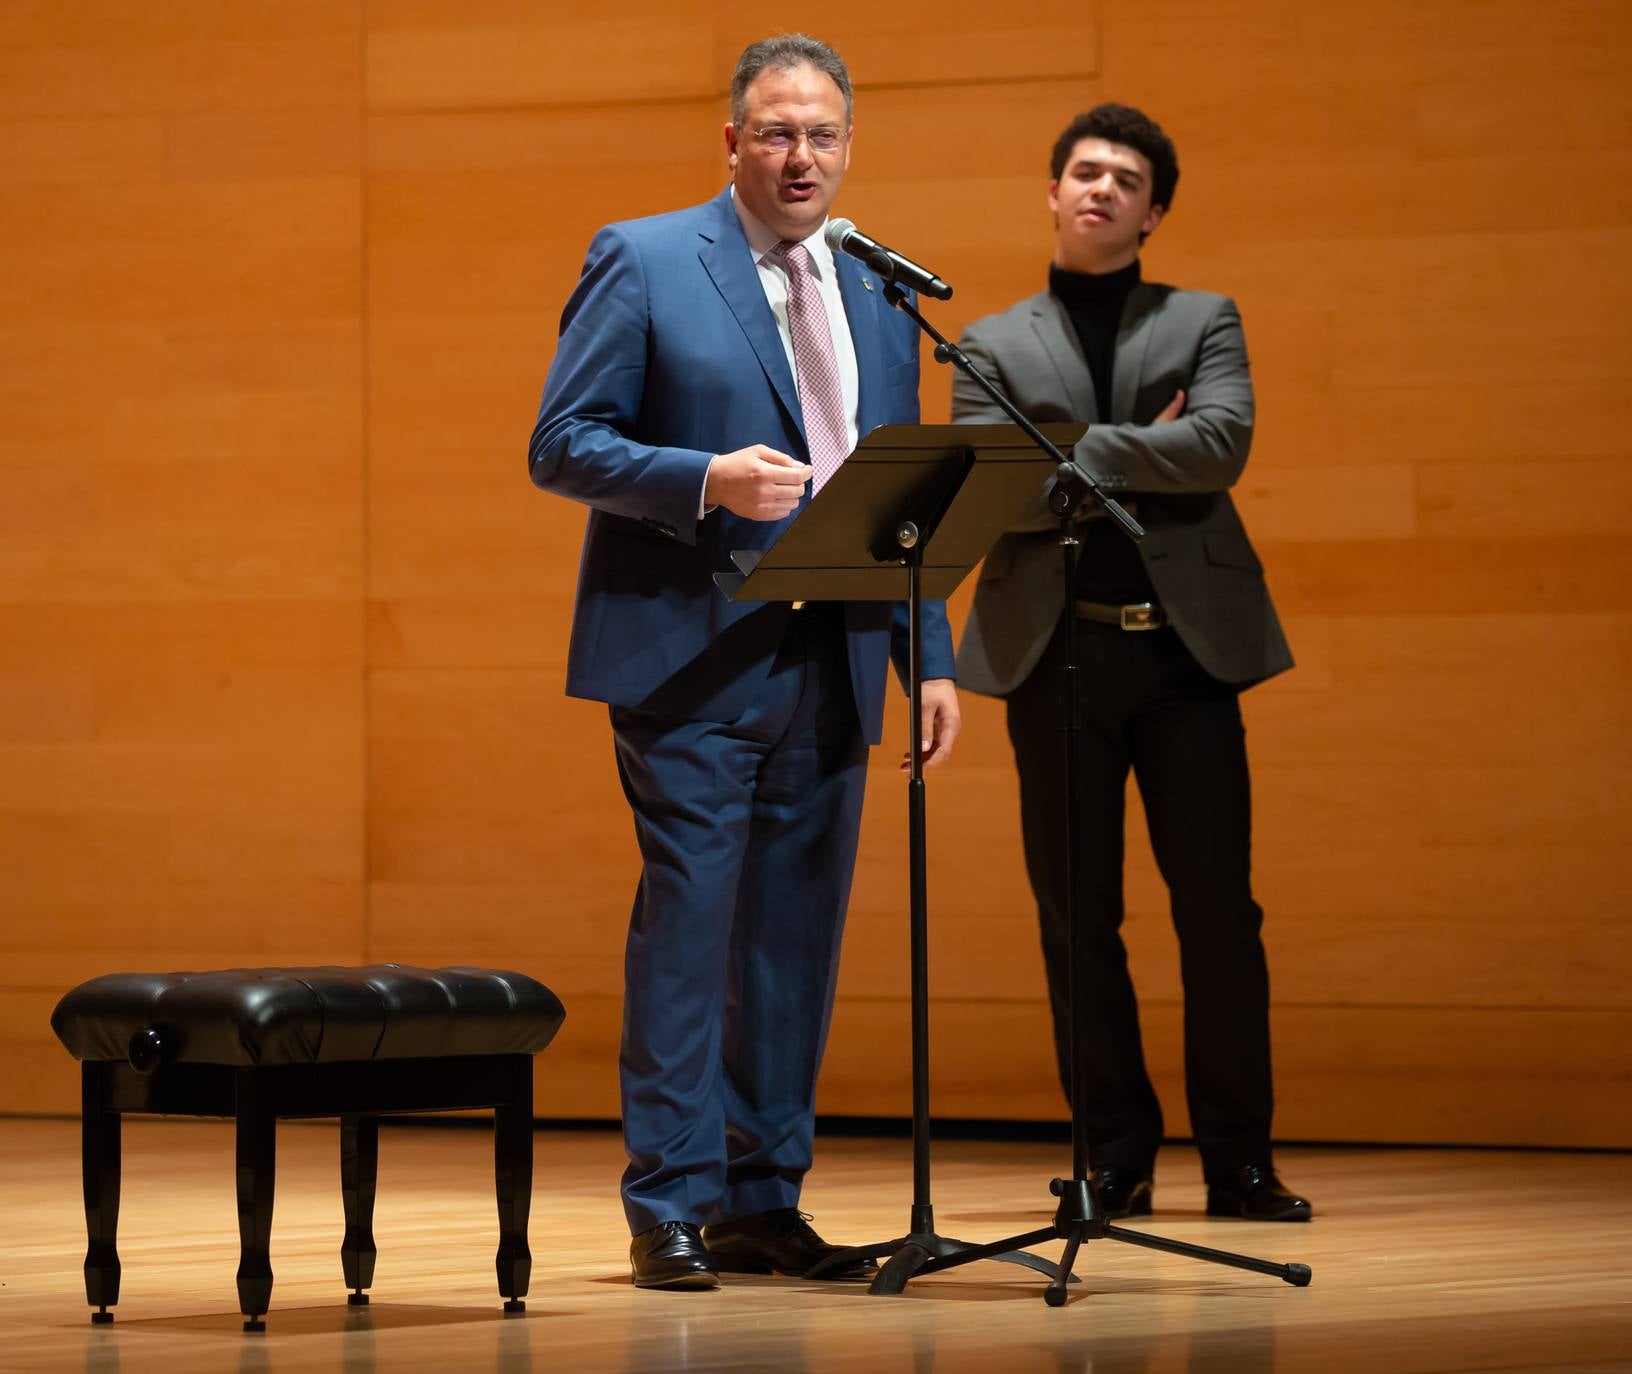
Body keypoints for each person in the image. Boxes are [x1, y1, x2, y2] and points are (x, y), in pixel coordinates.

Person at [528, 34, 960, 1289]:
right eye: (775, 131)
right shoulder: (647, 257)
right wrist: (702, 480)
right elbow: (563, 442)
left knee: (792, 942)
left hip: (838, 652)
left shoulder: (880, 286)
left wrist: (926, 651)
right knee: (691, 933)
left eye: (822, 134)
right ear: (732, 141)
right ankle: (669, 1200)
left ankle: (763, 1197)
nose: (799, 154)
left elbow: (902, 488)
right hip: (692, 661)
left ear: (848, 146)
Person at [952, 104, 1310, 1222]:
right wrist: (1144, 444)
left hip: (1186, 661)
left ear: (1154, 211)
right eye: (1084, 172)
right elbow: (991, 490)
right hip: (1052, 658)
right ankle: (1115, 1157)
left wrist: (1077, 449)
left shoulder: (1204, 317)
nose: (1101, 188)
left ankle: (1240, 1160)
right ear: (1053, 193)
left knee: (1219, 914)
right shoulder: (989, 343)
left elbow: (1223, 445)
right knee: (1076, 923)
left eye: (1127, 179)